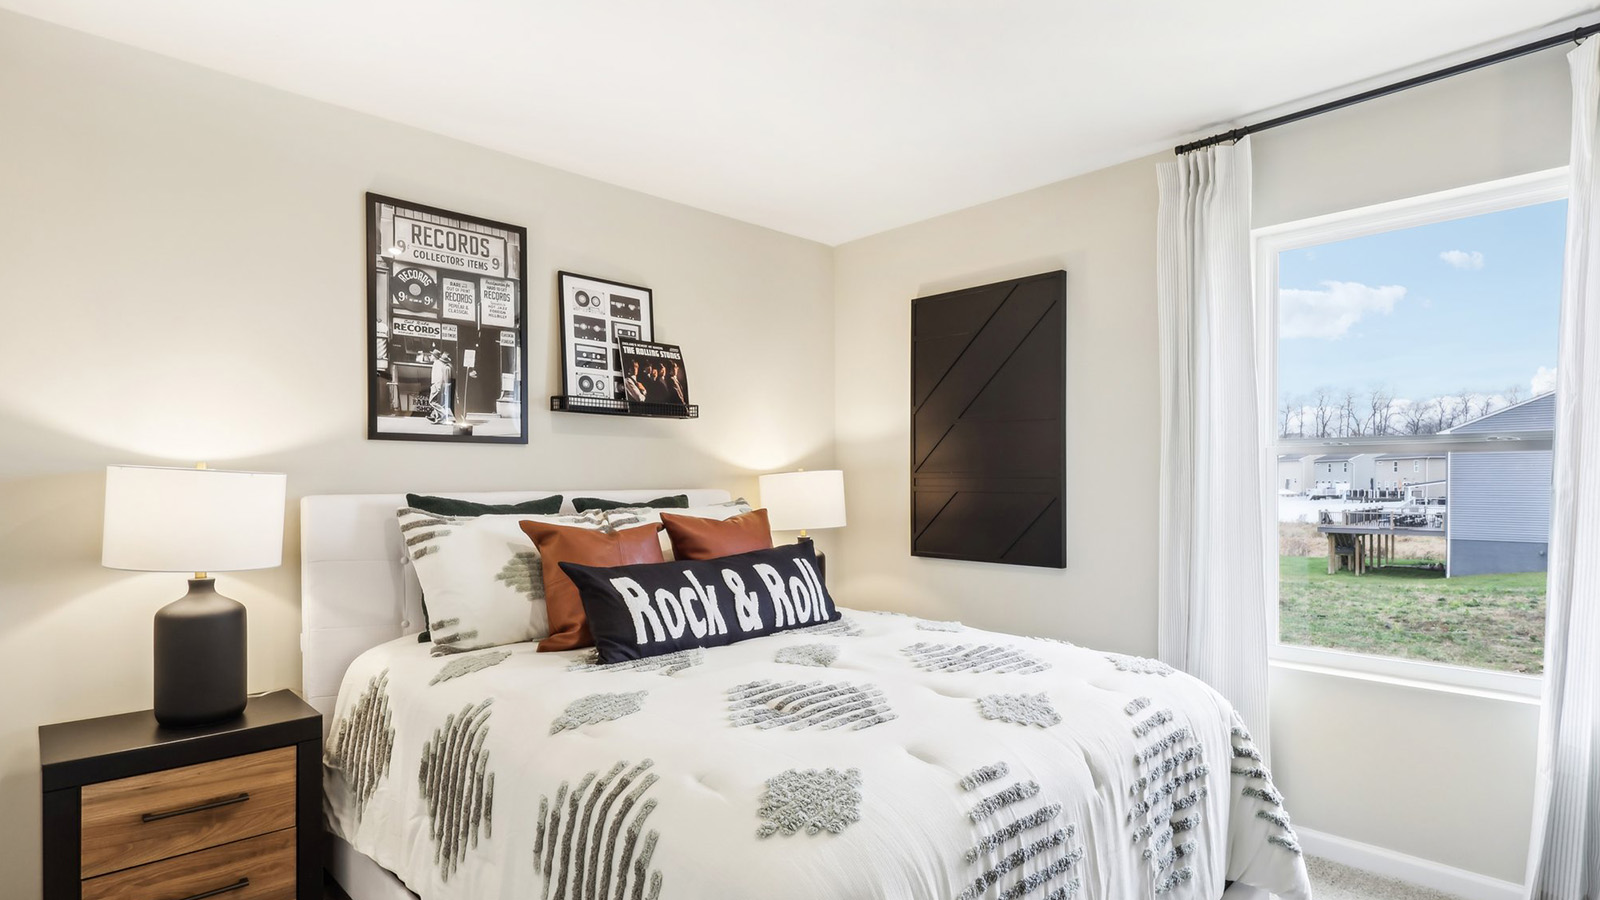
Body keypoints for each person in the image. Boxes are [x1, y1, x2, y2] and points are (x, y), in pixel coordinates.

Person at [427, 349, 452, 425]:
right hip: (438, 384)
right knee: (436, 402)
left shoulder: (437, 364)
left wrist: (437, 386)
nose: (430, 356)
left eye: (431, 355)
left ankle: (443, 414)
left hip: (436, 384)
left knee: (432, 401)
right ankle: (436, 416)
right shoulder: (439, 363)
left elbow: (439, 376)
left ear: (434, 356)